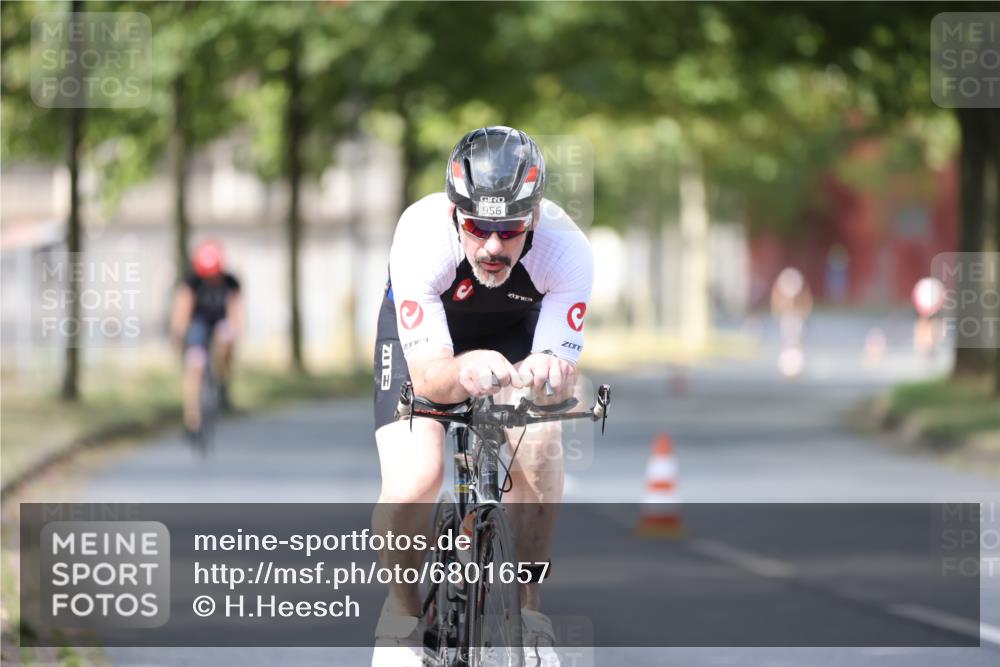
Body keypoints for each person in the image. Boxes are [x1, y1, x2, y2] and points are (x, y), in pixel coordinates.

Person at [372, 126, 594, 667]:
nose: (493, 246)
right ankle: (402, 618)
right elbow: (428, 378)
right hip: (428, 348)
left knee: (541, 442)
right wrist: (465, 366)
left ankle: (529, 610)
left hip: (517, 331)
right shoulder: (420, 236)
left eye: (510, 228)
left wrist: (550, 377)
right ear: (454, 214)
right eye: (477, 226)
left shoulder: (568, 252)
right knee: (417, 478)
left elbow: (558, 378)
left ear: (535, 217)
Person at [170, 239, 244, 438]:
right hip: (199, 324)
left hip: (220, 323)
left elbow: (236, 313)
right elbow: (181, 313)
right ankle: (192, 417)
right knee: (195, 363)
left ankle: (222, 380)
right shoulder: (192, 282)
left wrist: (235, 333)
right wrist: (179, 337)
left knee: (226, 336)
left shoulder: (230, 282)